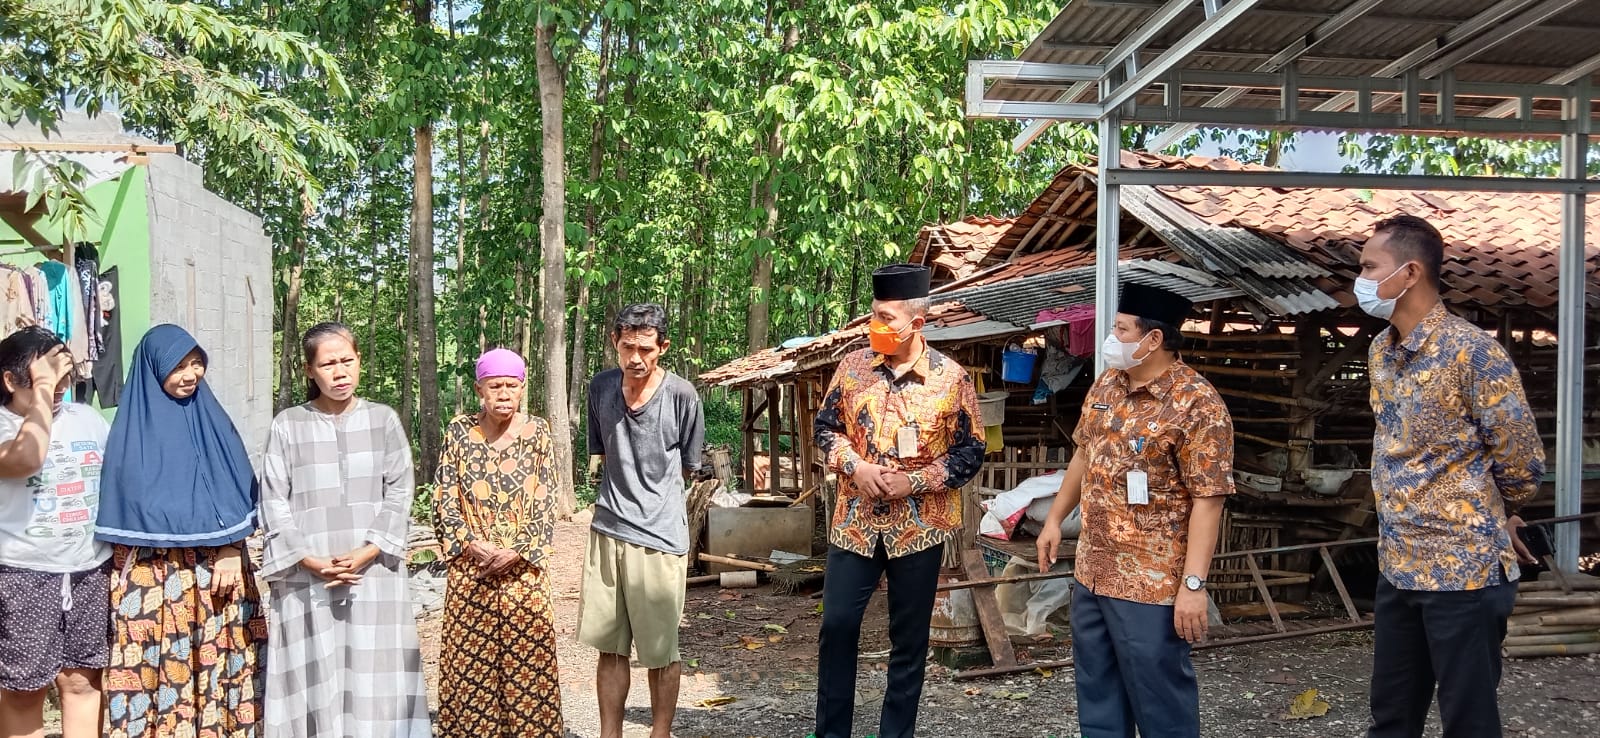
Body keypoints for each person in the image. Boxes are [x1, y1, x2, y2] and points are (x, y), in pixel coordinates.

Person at [1356, 215, 1544, 738]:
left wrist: (1491, 515)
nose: (1362, 278)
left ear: (1410, 272)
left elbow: (1522, 464)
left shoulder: (1475, 354)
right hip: (1398, 565)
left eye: (1371, 267)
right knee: (1391, 718)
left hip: (1463, 573)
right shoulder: (1381, 352)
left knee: (1469, 722)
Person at [1035, 282, 1235, 738]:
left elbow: (1209, 500)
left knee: (1160, 702)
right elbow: (1084, 454)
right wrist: (1053, 519)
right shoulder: (1108, 383)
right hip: (1093, 572)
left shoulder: (1198, 404)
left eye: (1121, 329)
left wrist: (1193, 586)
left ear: (1154, 339)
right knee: (1099, 698)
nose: (1113, 337)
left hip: (1151, 585)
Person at [812, 263, 985, 738]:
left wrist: (918, 481)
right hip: (854, 524)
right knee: (838, 626)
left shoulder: (952, 380)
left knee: (908, 641)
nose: (876, 327)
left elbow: (972, 451)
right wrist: (856, 467)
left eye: (886, 318)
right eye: (873, 316)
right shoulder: (851, 368)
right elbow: (825, 430)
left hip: (920, 528)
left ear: (917, 323)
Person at [257, 322, 431, 738]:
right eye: (329, 364)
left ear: (359, 363)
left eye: (347, 361)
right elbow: (273, 500)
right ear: (309, 371)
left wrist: (368, 551)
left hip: (372, 575)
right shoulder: (288, 424)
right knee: (313, 671)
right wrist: (308, 559)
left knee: (375, 672)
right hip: (307, 576)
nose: (340, 372)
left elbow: (400, 492)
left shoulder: (383, 420)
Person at [96, 324, 266, 738]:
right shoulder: (127, 434)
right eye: (178, 366)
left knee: (217, 664)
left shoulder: (214, 423)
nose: (191, 375)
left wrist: (230, 546)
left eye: (196, 364)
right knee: (147, 668)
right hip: (149, 580)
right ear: (153, 369)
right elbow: (122, 504)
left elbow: (236, 489)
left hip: (214, 576)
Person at [578, 303, 704, 738]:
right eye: (627, 346)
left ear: (662, 348)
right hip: (608, 528)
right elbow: (602, 451)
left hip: (660, 536)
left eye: (646, 349)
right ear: (615, 342)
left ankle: (660, 732)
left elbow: (689, 464)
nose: (636, 358)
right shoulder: (600, 389)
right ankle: (609, 732)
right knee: (610, 648)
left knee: (660, 650)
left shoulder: (682, 395)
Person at [433, 348, 564, 737]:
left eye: (511, 386)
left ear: (522, 389)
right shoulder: (459, 431)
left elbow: (547, 499)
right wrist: (472, 545)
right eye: (495, 387)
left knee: (529, 669)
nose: (503, 394)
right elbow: (444, 500)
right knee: (471, 670)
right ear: (480, 390)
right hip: (471, 572)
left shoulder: (538, 432)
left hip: (523, 575)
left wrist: (517, 551)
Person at [0, 327, 109, 738]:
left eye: (65, 378)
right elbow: (27, 458)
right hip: (22, 574)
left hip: (89, 570)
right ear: (10, 381)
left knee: (81, 680)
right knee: (25, 691)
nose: (60, 388)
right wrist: (43, 389)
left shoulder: (88, 419)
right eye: (48, 378)